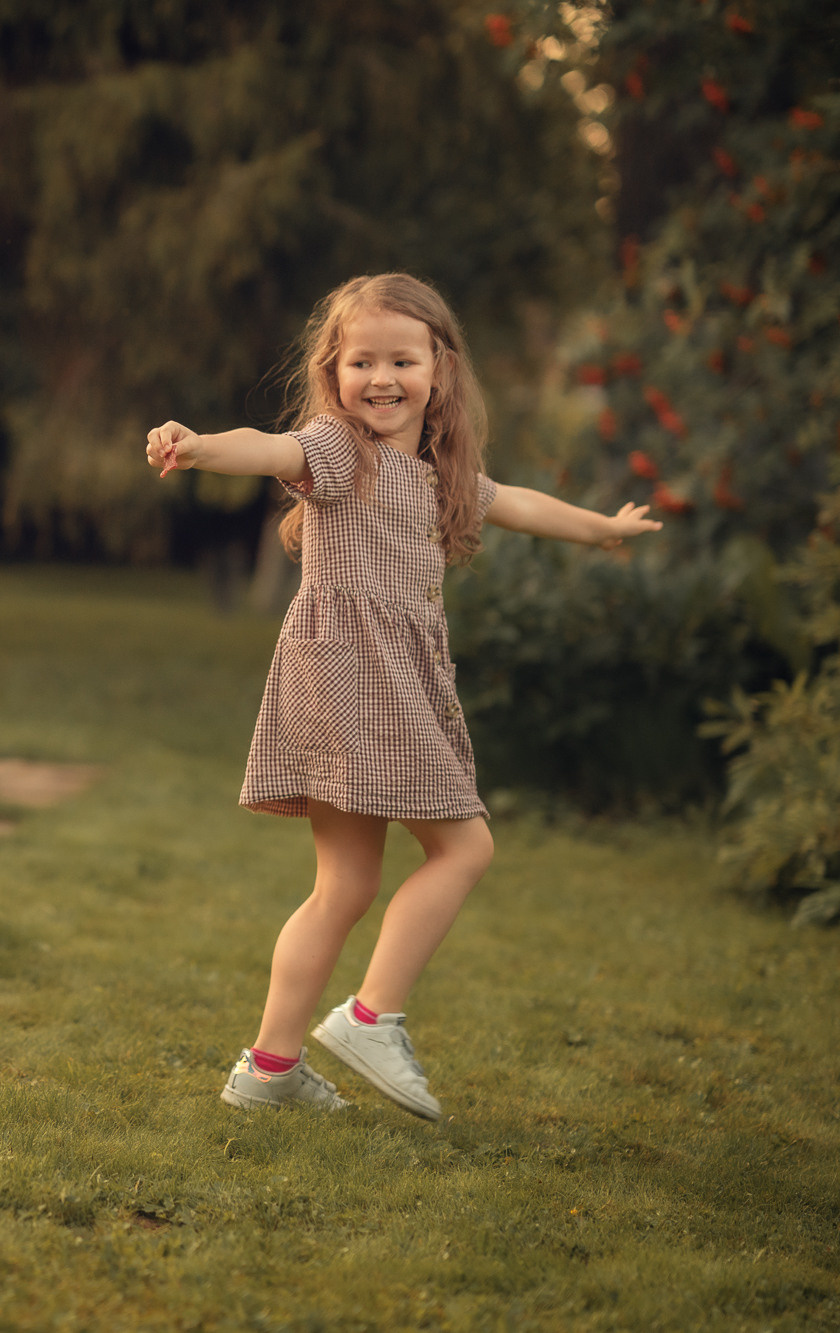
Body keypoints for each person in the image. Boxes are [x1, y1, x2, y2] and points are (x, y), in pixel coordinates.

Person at [144, 273, 662, 1120]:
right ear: (334, 373)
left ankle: (269, 1070)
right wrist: (198, 445)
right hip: (359, 675)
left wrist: (601, 528)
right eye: (361, 362)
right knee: (465, 849)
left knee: (344, 885)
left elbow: (518, 503)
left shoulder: (432, 475)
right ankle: (371, 1015)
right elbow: (271, 448)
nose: (380, 379)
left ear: (440, 371)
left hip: (358, 677)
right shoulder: (339, 451)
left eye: (401, 360)